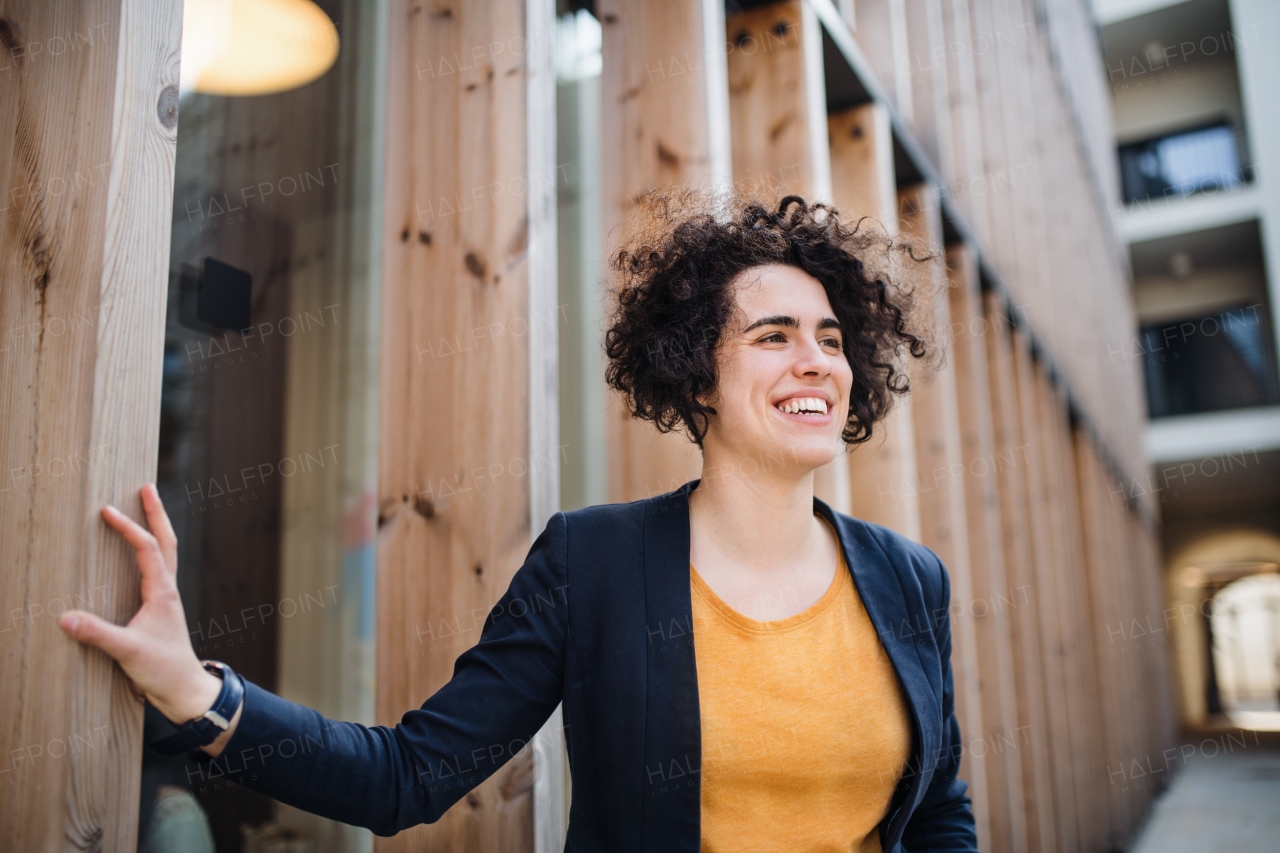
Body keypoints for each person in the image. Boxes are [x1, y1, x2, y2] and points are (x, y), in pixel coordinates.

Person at [60, 192, 977, 852]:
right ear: (696, 376)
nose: (816, 360)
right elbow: (406, 776)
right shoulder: (596, 564)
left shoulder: (908, 578)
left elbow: (938, 808)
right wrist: (197, 693)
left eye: (829, 338)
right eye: (774, 336)